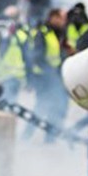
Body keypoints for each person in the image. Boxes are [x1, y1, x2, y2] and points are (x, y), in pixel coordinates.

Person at [27, 8, 70, 143]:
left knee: (58, 107)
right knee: (41, 107)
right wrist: (51, 74)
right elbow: (37, 57)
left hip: (56, 77)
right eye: (61, 18)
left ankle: (50, 138)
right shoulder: (43, 33)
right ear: (53, 18)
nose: (64, 22)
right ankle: (27, 136)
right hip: (45, 78)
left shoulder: (60, 34)